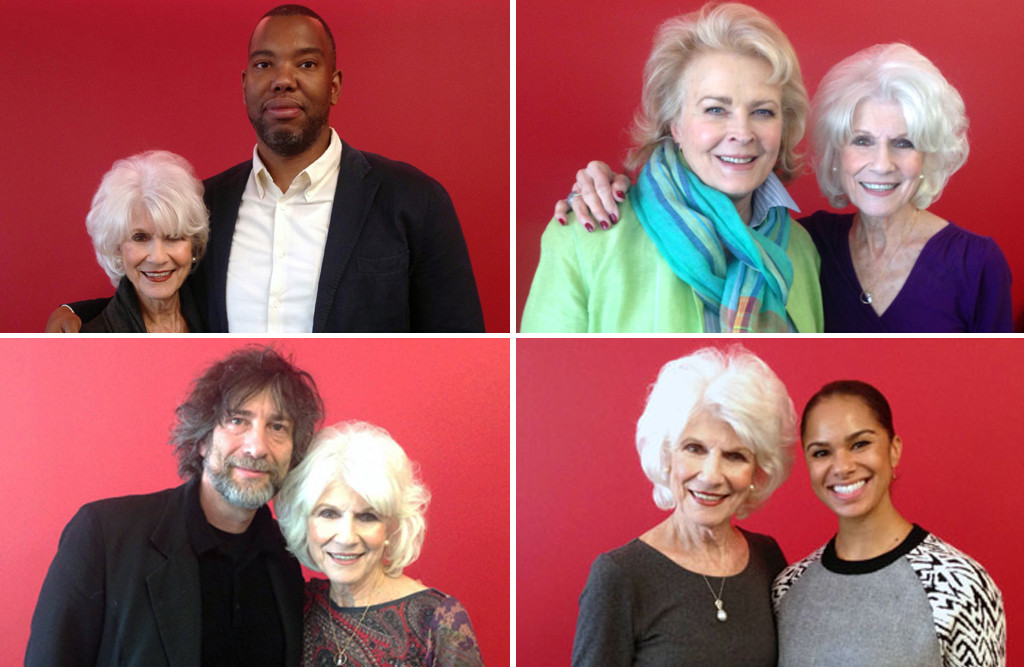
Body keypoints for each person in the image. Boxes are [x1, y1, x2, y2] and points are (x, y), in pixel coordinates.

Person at [49, 4, 484, 333]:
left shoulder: (413, 200)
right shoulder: (203, 205)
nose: (283, 79)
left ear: (334, 87)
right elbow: (158, 296)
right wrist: (79, 315)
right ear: (244, 87)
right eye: (264, 64)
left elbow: (464, 340)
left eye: (306, 64)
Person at [556, 44, 1012, 332]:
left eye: (904, 143)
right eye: (862, 141)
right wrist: (597, 183)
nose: (882, 164)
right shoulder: (815, 243)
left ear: (928, 155)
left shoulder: (975, 264)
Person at [520, 3, 823, 333]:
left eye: (763, 112)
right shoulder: (585, 237)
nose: (743, 133)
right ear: (674, 124)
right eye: (715, 109)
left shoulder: (802, 249)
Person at [25, 346, 325, 666]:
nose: (257, 447)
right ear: (201, 439)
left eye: (277, 427)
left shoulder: (286, 557)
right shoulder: (104, 535)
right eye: (238, 420)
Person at [571, 346, 795, 665]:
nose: (710, 475)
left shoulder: (768, 557)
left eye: (735, 456)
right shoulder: (620, 576)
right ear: (666, 457)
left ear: (757, 473)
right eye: (694, 448)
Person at [772, 380, 1006, 665]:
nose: (842, 466)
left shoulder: (960, 584)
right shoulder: (787, 588)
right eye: (822, 452)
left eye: (860, 444)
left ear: (894, 449)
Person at [275, 420, 484, 666]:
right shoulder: (294, 605)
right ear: (304, 523)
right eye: (328, 513)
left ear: (391, 527)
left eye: (367, 517)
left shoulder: (438, 619)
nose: (346, 537)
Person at [80, 150, 209, 332]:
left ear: (193, 247)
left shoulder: (219, 320)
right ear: (118, 248)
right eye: (140, 238)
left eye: (173, 237)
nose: (157, 258)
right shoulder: (90, 340)